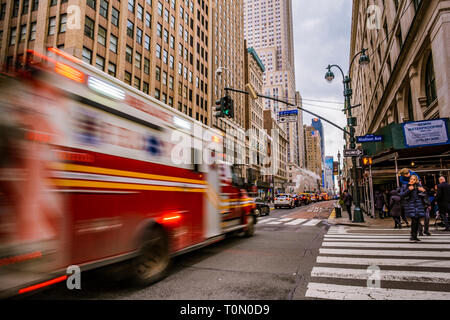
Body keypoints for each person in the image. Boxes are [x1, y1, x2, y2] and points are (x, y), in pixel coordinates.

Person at [400, 175, 428, 242]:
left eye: (414, 179)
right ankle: (413, 236)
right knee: (414, 221)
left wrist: (424, 191)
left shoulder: (418, 186)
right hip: (411, 205)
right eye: (411, 179)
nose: (412, 180)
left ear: (416, 180)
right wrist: (409, 190)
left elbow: (424, 196)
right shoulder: (405, 186)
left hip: (418, 205)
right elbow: (401, 195)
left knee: (418, 221)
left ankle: (415, 236)